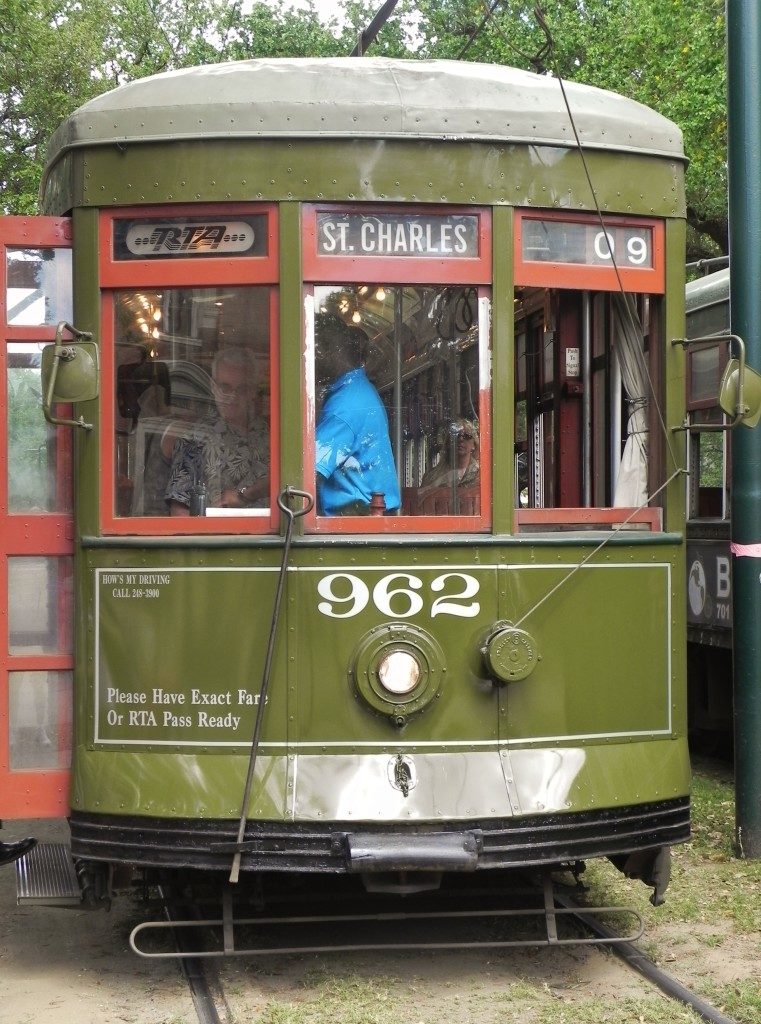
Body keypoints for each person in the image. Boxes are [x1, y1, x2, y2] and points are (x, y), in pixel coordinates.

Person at [314, 314, 401, 516]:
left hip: (355, 525)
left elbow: (307, 473)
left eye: (315, 350)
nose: (313, 359)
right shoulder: (359, 390)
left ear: (329, 350)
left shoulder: (346, 404)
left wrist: (245, 495)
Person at [165, 347, 269, 515]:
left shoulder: (271, 436)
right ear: (213, 388)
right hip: (215, 538)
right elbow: (180, 514)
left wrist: (246, 494)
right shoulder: (194, 439)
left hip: (271, 537)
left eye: (242, 389)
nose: (232, 397)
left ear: (252, 392)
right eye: (225, 388)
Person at [421, 418, 480, 489]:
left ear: (474, 445)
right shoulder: (431, 477)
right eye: (456, 435)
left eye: (467, 436)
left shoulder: (480, 475)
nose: (461, 439)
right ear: (448, 443)